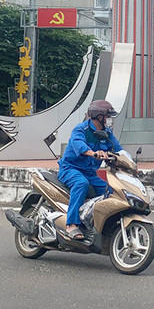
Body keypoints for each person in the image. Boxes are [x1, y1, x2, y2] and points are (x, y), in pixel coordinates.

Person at [58, 99, 122, 240]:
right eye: (108, 117)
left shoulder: (107, 133)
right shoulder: (81, 129)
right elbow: (79, 146)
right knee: (81, 184)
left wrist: (129, 163)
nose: (109, 120)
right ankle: (72, 224)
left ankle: (102, 224)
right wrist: (94, 153)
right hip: (70, 169)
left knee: (110, 191)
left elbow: (119, 151)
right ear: (100, 117)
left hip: (89, 173)